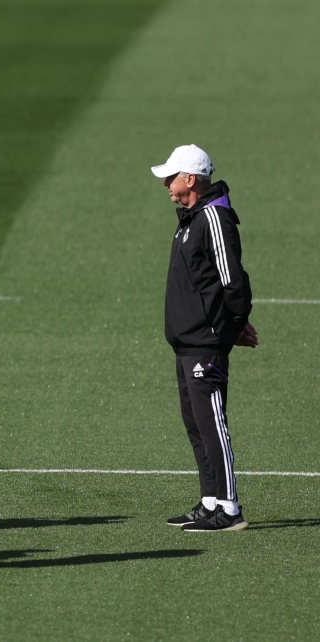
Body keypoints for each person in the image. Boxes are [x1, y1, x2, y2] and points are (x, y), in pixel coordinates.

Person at [153, 144, 257, 532]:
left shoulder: (215, 217)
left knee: (212, 423)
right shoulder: (191, 218)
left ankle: (229, 509)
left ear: (190, 179)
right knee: (196, 423)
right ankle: (211, 500)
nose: (166, 183)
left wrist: (236, 322)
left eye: (171, 177)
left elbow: (232, 278)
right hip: (187, 340)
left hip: (205, 341)